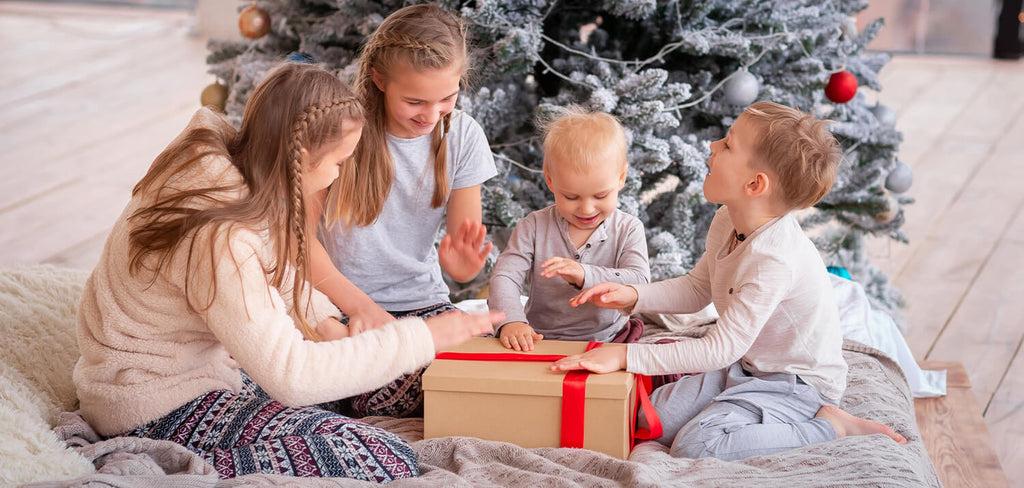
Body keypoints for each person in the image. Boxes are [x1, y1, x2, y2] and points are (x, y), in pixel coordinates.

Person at [73, 62, 499, 481]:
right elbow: (292, 377)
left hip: (210, 366)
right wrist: (420, 337)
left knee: (398, 383)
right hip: (153, 404)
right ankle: (172, 465)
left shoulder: (233, 166)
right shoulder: (220, 236)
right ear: (300, 159)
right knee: (382, 456)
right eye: (337, 163)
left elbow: (278, 271)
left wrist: (330, 324)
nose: (338, 175)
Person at [550, 101, 907, 461]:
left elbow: (720, 348)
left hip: (796, 385)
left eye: (728, 145)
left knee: (698, 444)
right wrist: (631, 295)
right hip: (747, 368)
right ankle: (734, 405)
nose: (712, 146)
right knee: (647, 416)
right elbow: (697, 289)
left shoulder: (774, 259)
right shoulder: (728, 219)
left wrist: (625, 355)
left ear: (754, 184)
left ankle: (831, 426)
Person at [310, 4, 497, 418]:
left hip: (422, 303)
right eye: (414, 101)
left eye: (447, 98)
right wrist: (359, 311)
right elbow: (299, 242)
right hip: (336, 302)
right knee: (304, 382)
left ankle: (357, 380)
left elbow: (464, 267)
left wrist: (462, 266)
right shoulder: (339, 132)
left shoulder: (463, 136)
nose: (431, 116)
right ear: (379, 80)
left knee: (468, 385)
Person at [488, 107, 650, 351]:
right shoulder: (532, 226)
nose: (586, 209)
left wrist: (584, 274)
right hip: (540, 338)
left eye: (600, 195)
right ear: (550, 180)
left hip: (608, 340)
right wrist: (511, 322)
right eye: (571, 196)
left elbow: (639, 282)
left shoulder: (628, 228)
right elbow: (505, 277)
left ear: (621, 177)